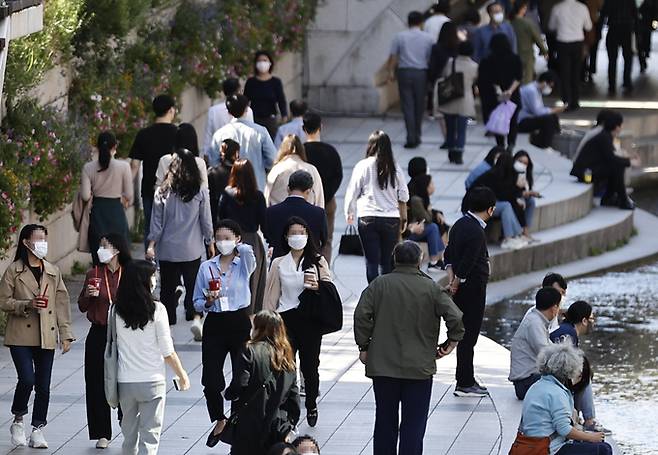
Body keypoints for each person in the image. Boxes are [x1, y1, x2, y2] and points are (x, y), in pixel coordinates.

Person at [354, 241, 465, 454]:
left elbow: (361, 315)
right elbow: (455, 317)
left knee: (385, 419)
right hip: (419, 368)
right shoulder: (431, 287)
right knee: (414, 424)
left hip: (384, 366)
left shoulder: (379, 284)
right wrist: (451, 342)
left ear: (395, 259)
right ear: (419, 260)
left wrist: (364, 345)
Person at [0, 224, 74, 449]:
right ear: (26, 242)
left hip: (46, 334)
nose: (43, 243)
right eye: (38, 239)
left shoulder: (52, 270)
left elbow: (61, 302)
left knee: (44, 386)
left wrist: (66, 333)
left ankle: (38, 428)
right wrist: (27, 304)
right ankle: (19, 419)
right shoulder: (14, 270)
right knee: (27, 379)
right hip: (20, 335)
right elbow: (3, 301)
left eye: (45, 238)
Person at [114, 260, 190, 455]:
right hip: (152, 382)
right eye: (152, 276)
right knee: (150, 436)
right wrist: (182, 375)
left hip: (125, 381)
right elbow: (167, 351)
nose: (155, 279)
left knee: (129, 436)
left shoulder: (115, 310)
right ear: (144, 281)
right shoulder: (158, 310)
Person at [193, 220, 256, 447]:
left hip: (239, 321)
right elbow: (197, 303)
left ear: (237, 239)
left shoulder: (243, 263)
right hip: (216, 323)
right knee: (211, 378)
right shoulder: (206, 267)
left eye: (227, 238)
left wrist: (239, 245)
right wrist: (208, 302)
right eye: (219, 238)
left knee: (243, 376)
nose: (222, 243)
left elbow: (250, 253)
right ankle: (219, 418)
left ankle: (239, 420)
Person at [264, 217, 332, 428]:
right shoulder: (278, 263)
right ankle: (289, 410)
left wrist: (316, 287)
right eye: (293, 233)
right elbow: (271, 295)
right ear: (286, 237)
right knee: (286, 367)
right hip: (286, 320)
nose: (297, 237)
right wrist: (266, 322)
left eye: (301, 232)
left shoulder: (318, 260)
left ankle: (311, 402)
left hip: (310, 320)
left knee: (311, 367)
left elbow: (329, 289)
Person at [147, 148, 214, 331]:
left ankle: (168, 322)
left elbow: (156, 223)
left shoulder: (162, 191)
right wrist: (210, 241)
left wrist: (151, 244)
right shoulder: (199, 191)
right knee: (193, 284)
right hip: (191, 248)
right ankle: (195, 316)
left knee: (167, 287)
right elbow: (206, 220)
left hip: (168, 249)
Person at [77, 233, 131, 449]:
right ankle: (102, 433)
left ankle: (126, 422)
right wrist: (90, 295)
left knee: (125, 380)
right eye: (100, 246)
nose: (101, 250)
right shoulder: (94, 273)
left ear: (116, 250)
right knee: (96, 381)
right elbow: (81, 305)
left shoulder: (129, 273)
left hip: (124, 332)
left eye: (105, 246)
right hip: (99, 332)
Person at [223, 310, 301, 455]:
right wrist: (289, 424)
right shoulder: (287, 356)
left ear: (259, 328)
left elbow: (240, 384)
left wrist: (229, 394)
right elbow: (294, 396)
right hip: (277, 424)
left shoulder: (249, 350)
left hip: (249, 422)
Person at [444, 187, 495, 397]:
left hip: (464, 288)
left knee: (465, 335)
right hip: (472, 290)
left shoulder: (459, 224)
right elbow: (468, 262)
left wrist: (451, 278)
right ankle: (464, 382)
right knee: (469, 336)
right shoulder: (476, 231)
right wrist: (456, 281)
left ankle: (466, 379)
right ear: (490, 210)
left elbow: (449, 254)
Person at [517, 343, 611, 455]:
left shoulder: (537, 386)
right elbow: (564, 429)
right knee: (603, 449)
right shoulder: (557, 393)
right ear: (568, 370)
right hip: (547, 449)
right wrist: (590, 437)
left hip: (531, 445)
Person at [345, 131, 410, 283]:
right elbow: (404, 195)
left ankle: (373, 293)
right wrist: (404, 218)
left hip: (367, 217)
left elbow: (352, 191)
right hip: (391, 219)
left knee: (371, 261)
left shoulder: (363, 165)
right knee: (387, 262)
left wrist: (349, 212)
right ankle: (386, 294)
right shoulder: (395, 167)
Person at [550, 301, 610, 434]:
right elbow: (566, 367)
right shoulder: (568, 334)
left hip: (551, 377)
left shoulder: (566, 329)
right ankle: (589, 420)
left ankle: (583, 417)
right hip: (553, 380)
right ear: (584, 320)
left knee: (584, 370)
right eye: (592, 319)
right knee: (584, 374)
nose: (593, 323)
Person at [129, 94, 178, 252]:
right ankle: (168, 266)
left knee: (151, 228)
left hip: (150, 189)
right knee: (172, 229)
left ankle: (150, 268)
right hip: (174, 190)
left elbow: (134, 166)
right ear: (171, 110)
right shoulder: (178, 133)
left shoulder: (143, 134)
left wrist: (125, 191)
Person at [218, 160, 268, 313]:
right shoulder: (258, 196)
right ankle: (250, 315)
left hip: (230, 241)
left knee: (229, 280)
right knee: (253, 281)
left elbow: (220, 217)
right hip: (252, 240)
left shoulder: (227, 193)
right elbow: (264, 222)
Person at [81, 131, 133, 265]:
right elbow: (129, 194)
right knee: (120, 257)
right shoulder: (123, 166)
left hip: (98, 213)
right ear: (114, 147)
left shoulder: (88, 168)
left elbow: (85, 196)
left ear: (97, 147)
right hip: (116, 212)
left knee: (99, 258)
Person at [386, 11, 434, 148]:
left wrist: (390, 72)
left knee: (407, 105)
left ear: (408, 22)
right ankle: (417, 135)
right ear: (421, 22)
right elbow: (430, 57)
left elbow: (393, 56)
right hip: (421, 73)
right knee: (419, 105)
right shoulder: (428, 38)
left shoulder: (399, 36)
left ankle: (410, 137)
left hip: (404, 72)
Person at [209, 94, 277, 190]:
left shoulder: (219, 134)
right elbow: (272, 158)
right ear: (246, 109)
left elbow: (214, 163)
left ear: (229, 112)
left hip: (230, 190)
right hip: (257, 186)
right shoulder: (260, 131)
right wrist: (261, 167)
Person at [571, 112, 634, 210]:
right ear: (617, 126)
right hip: (585, 173)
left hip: (588, 170)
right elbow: (611, 158)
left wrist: (627, 160)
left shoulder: (605, 135)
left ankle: (610, 197)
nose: (621, 127)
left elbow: (611, 157)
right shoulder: (603, 137)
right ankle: (622, 199)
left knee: (617, 166)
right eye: (621, 125)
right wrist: (630, 162)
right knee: (617, 166)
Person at [303, 112, 343, 262]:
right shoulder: (330, 151)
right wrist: (326, 195)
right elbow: (338, 176)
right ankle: (324, 272)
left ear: (303, 128)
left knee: (305, 238)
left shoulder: (301, 151)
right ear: (321, 127)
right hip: (328, 202)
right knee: (327, 239)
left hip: (306, 201)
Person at [508, 286, 562, 399]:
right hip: (526, 383)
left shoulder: (537, 320)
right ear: (554, 307)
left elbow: (552, 349)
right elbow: (546, 354)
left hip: (530, 380)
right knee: (568, 379)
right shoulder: (534, 323)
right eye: (558, 307)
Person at [266, 170, 328, 260]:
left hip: (280, 262)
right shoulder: (319, 213)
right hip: (309, 263)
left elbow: (269, 237)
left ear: (288, 188)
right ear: (308, 191)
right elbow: (324, 239)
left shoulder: (271, 212)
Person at [471, 154, 528, 249]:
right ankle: (508, 238)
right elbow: (502, 194)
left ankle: (517, 234)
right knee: (506, 206)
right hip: (478, 205)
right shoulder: (494, 175)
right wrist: (517, 186)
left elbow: (505, 194)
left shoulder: (498, 173)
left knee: (508, 205)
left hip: (485, 203)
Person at [477, 33, 523, 150]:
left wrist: (498, 91)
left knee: (498, 120)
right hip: (512, 96)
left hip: (494, 97)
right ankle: (511, 143)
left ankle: (500, 144)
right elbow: (518, 77)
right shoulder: (515, 58)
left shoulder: (487, 61)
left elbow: (484, 79)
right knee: (512, 120)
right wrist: (510, 91)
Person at [436, 40, 479, 164]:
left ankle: (451, 151)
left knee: (450, 128)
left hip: (450, 98)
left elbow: (444, 75)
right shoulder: (474, 66)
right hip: (465, 100)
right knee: (461, 130)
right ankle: (459, 153)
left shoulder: (451, 62)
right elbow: (475, 80)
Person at [548, 0, 592, 111]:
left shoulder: (557, 8)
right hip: (577, 43)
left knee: (564, 73)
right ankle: (575, 101)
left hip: (562, 43)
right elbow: (588, 26)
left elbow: (551, 26)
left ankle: (566, 101)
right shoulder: (582, 7)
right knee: (576, 73)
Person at [265, 135, 325, 207]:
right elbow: (319, 198)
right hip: (307, 214)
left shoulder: (277, 169)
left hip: (279, 213)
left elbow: (266, 194)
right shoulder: (311, 169)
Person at [203, 77, 254, 156]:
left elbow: (208, 137)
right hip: (241, 157)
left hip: (219, 155)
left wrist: (206, 154)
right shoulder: (248, 111)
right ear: (239, 91)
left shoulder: (213, 111)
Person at [406, 174, 446, 272]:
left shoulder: (423, 198)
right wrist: (429, 209)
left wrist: (435, 212)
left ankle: (438, 260)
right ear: (425, 186)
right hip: (409, 231)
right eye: (431, 184)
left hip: (416, 229)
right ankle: (433, 262)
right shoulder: (416, 200)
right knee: (432, 227)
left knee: (436, 227)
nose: (433, 186)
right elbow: (427, 218)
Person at [244, 50, 288, 139]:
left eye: (265, 60)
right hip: (254, 119)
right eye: (259, 61)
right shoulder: (251, 82)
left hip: (270, 119)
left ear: (270, 63)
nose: (262, 63)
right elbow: (245, 100)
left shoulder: (275, 82)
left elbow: (281, 100)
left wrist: (284, 115)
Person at [600, 0, 638, 94]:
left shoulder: (609, 1)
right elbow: (635, 15)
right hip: (626, 30)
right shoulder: (630, 1)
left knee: (612, 59)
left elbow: (603, 14)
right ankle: (627, 81)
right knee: (628, 58)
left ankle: (612, 85)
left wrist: (599, 30)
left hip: (613, 30)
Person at [518, 71, 563, 149]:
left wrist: (552, 111)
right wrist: (554, 110)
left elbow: (540, 108)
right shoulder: (531, 91)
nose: (550, 89)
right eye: (550, 86)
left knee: (552, 117)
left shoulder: (537, 91)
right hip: (521, 121)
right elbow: (538, 112)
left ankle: (556, 138)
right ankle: (543, 144)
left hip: (529, 117)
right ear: (544, 82)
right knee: (548, 120)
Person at [155, 123, 208, 189]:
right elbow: (204, 190)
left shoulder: (165, 160)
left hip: (169, 199)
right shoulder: (200, 163)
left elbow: (158, 188)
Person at [428, 21, 460, 130]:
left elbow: (432, 67)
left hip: (440, 80)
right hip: (456, 80)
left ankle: (446, 135)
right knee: (454, 110)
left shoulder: (436, 47)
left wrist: (431, 81)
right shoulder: (458, 47)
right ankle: (454, 133)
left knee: (441, 112)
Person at [510, 0, 548, 84]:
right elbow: (537, 39)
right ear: (522, 9)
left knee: (515, 81)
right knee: (526, 81)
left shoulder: (509, 24)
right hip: (527, 57)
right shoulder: (528, 23)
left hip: (513, 56)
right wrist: (544, 51)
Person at [208, 138, 240, 225]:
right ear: (236, 154)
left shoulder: (212, 172)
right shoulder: (241, 172)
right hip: (237, 219)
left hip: (215, 218)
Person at [513, 150, 541, 239]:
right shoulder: (511, 171)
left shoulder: (526, 174)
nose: (522, 165)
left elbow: (525, 189)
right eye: (520, 161)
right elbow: (511, 191)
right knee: (519, 203)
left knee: (531, 201)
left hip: (521, 196)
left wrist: (529, 193)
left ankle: (526, 230)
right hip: (511, 197)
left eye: (525, 163)